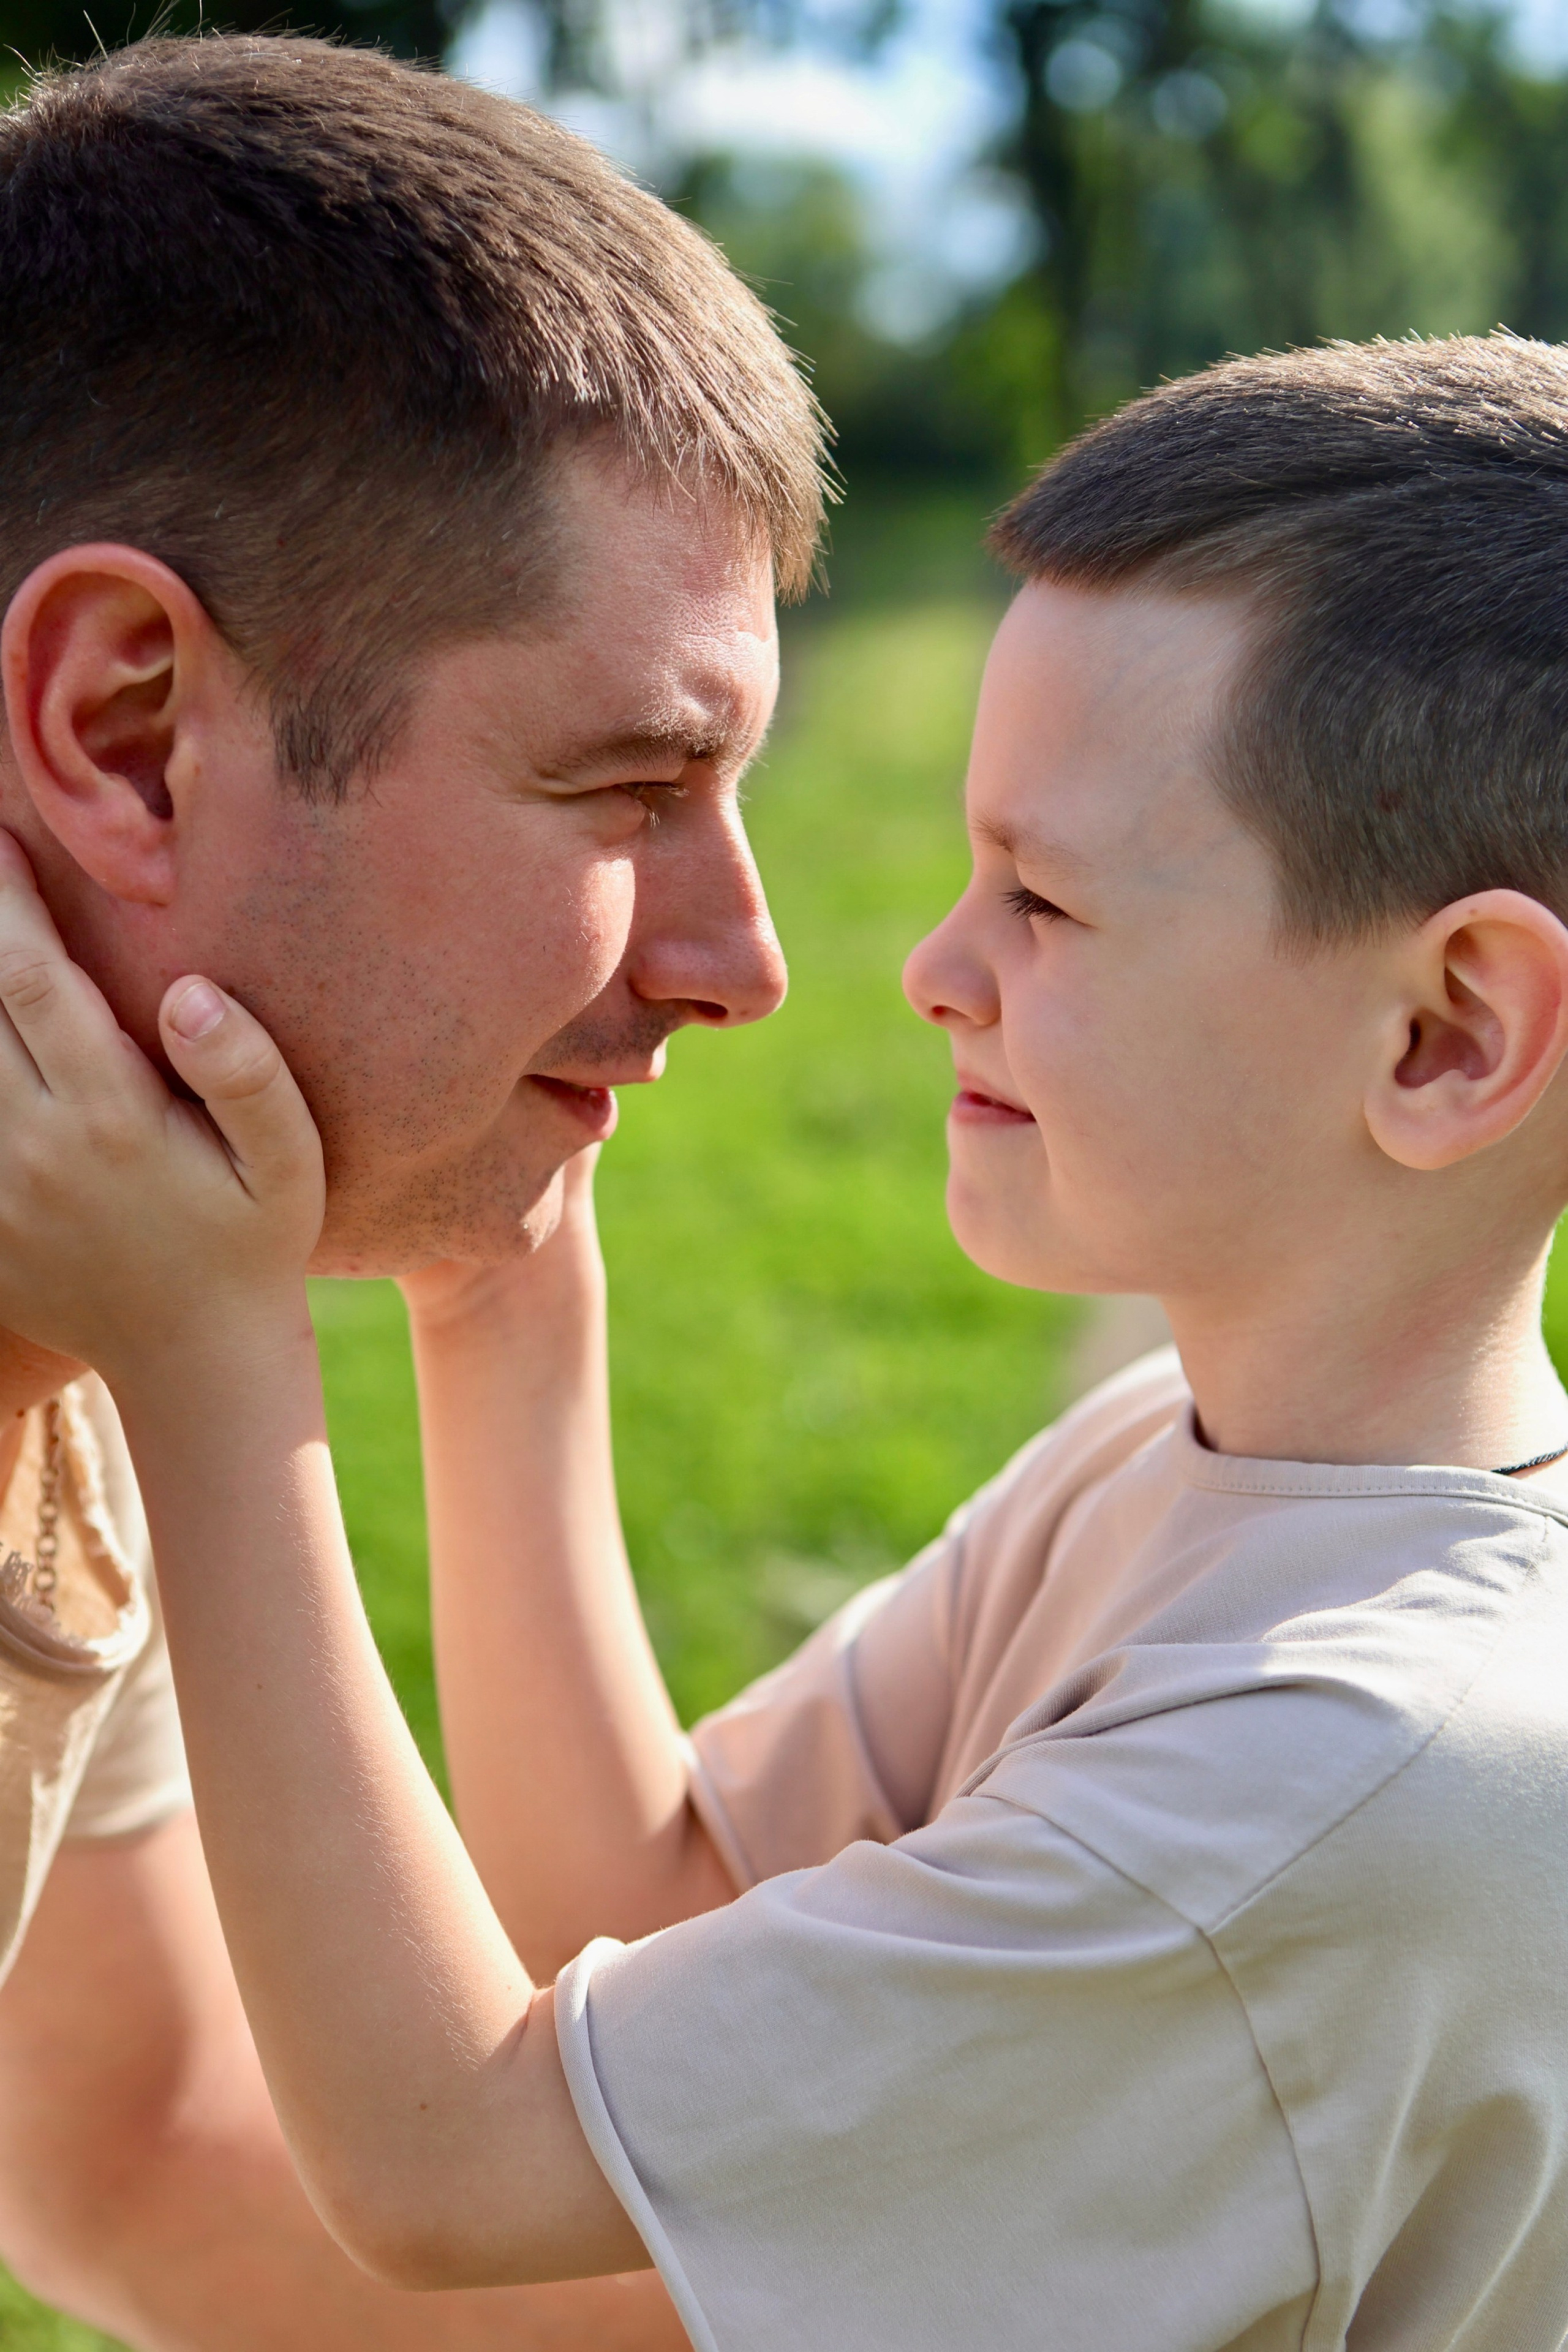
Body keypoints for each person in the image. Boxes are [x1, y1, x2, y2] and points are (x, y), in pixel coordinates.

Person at [6, 321, 1568, 2347]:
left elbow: (454, 2162)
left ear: (1449, 1034)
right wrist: (501, 1305)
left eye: (1047, 903)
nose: (934, 966)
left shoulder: (1344, 1786)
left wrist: (208, 1362)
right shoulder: (1185, 1473)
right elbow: (637, 1922)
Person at [0, 31, 826, 2349]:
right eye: (631, 786)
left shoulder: (96, 1280)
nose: (741, 961)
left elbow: (138, 2138)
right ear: (128, 732)